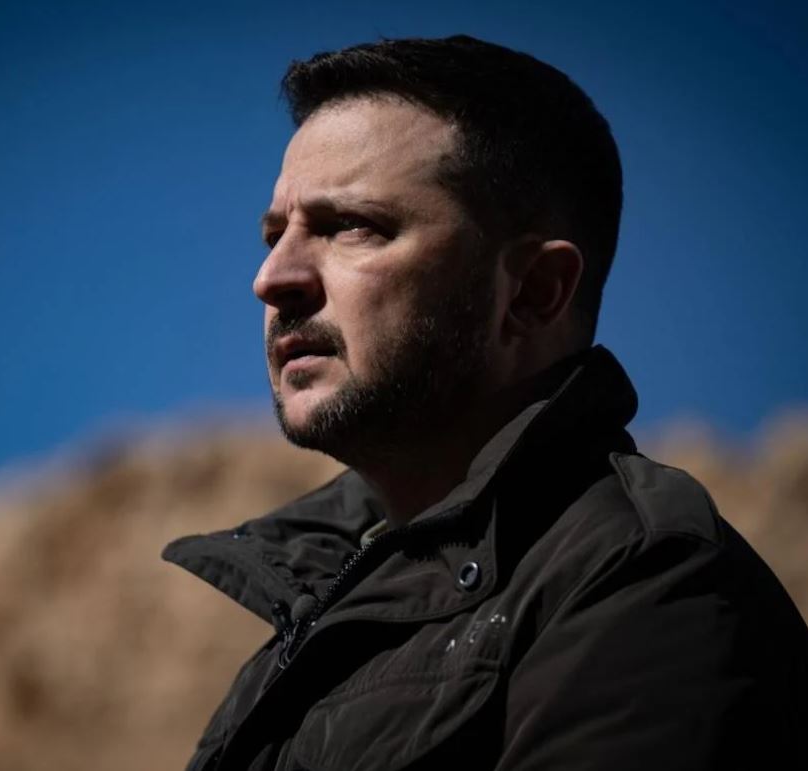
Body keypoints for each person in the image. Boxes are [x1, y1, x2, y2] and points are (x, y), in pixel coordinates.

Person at [163, 35, 808, 770]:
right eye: (276, 234)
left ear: (533, 292)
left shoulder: (641, 581)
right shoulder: (303, 629)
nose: (272, 279)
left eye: (352, 227)